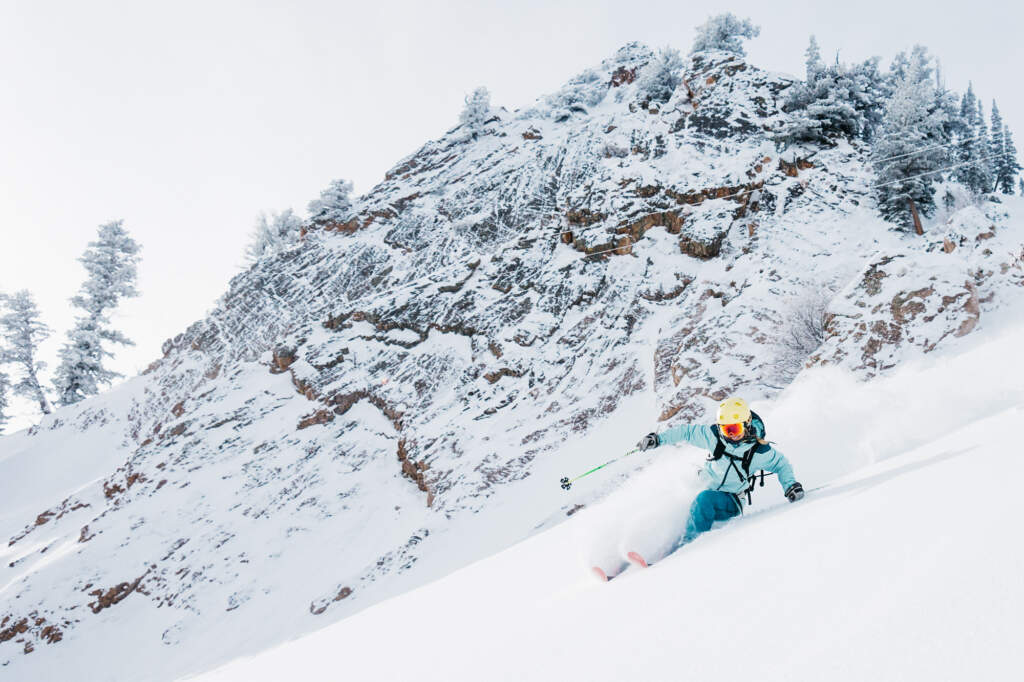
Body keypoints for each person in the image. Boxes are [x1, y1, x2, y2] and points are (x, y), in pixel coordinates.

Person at [636, 397, 804, 556]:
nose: (731, 435)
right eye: (726, 429)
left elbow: (781, 464)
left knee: (704, 500)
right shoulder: (714, 437)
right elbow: (685, 432)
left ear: (746, 425)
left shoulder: (758, 451)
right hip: (706, 486)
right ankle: (662, 548)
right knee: (674, 502)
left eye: (735, 429)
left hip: (731, 500)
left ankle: (688, 551)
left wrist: (790, 485)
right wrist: (658, 439)